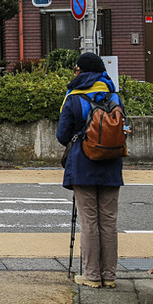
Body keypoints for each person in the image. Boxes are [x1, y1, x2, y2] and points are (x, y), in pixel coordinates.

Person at [57, 52, 124, 288]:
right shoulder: (114, 95)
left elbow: (62, 135)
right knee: (108, 221)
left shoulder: (74, 97)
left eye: (77, 69)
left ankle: (92, 275)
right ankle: (110, 276)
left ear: (82, 72)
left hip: (83, 164)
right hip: (112, 164)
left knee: (89, 221)